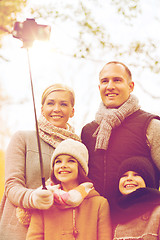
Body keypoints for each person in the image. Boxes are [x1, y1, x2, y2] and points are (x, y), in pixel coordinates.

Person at [0, 83, 81, 240]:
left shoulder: (79, 148)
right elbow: (11, 186)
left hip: (58, 231)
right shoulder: (22, 139)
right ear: (42, 108)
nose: (56, 109)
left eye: (63, 104)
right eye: (50, 103)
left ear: (72, 111)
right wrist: (33, 198)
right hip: (18, 230)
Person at [81, 61, 160, 215]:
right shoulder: (88, 131)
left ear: (130, 86)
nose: (110, 86)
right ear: (99, 88)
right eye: (105, 81)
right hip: (96, 223)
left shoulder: (150, 125)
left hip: (139, 224)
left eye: (117, 80)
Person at [26, 139, 112, 240]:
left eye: (71, 161)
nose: (63, 165)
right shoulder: (44, 200)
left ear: (81, 168)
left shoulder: (99, 204)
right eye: (58, 161)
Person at [113, 156, 160, 240]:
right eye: (124, 175)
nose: (129, 178)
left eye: (136, 175)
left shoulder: (157, 212)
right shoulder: (112, 213)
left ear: (147, 180)